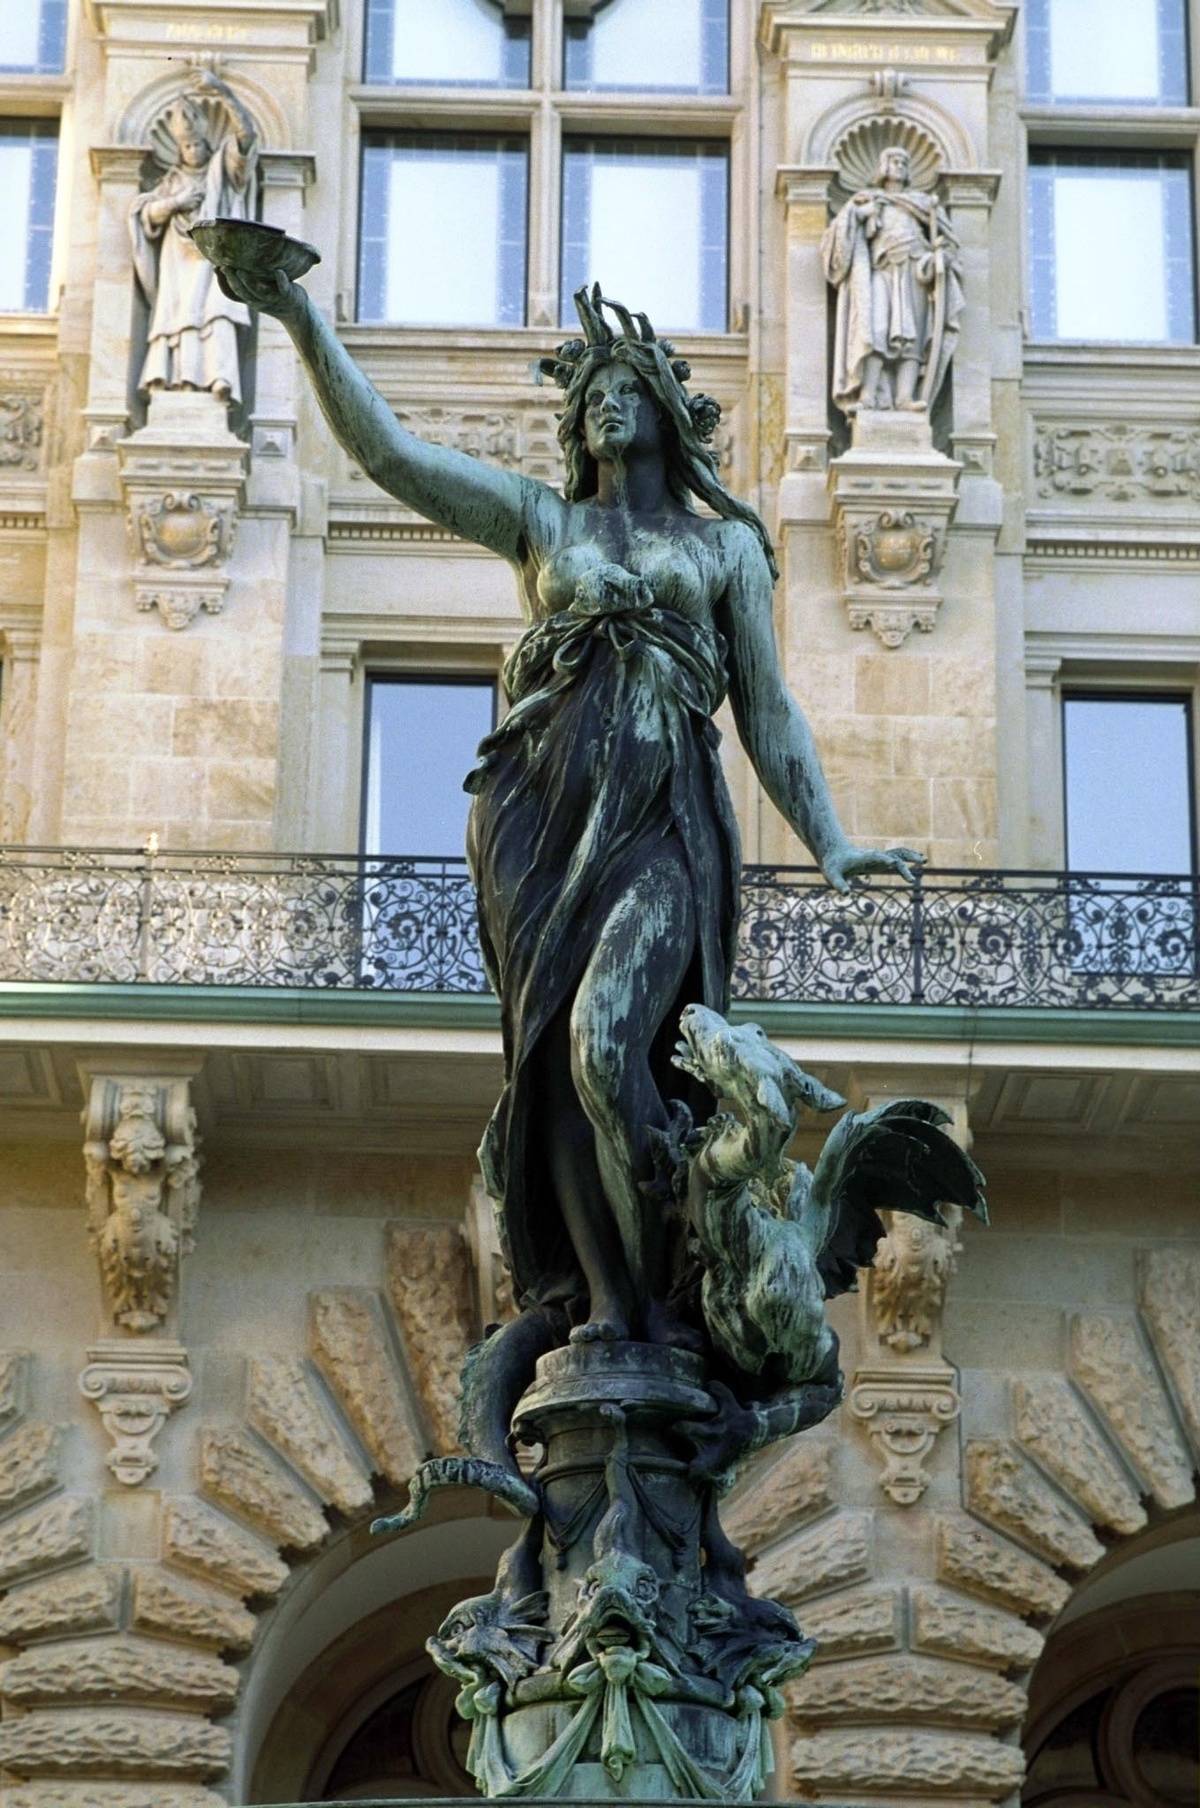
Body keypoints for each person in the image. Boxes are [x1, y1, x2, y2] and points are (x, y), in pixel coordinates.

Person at [212, 262, 922, 1344]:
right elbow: (391, 455)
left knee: (605, 1045)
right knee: (552, 1057)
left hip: (665, 818)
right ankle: (604, 1297)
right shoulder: (546, 524)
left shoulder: (723, 547)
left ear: (665, 410)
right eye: (587, 390)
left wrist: (830, 837)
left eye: (622, 384)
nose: (602, 400)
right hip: (539, 818)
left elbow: (767, 710)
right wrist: (301, 315)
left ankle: (673, 1251)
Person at [130, 72, 259, 404]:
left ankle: (221, 379)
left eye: (196, 143)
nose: (191, 149)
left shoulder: (223, 169)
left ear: (207, 143)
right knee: (178, 317)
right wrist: (176, 203)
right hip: (177, 262)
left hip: (215, 257)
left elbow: (246, 134)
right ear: (178, 149)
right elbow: (146, 214)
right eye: (185, 145)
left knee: (218, 312)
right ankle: (179, 380)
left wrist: (224, 92)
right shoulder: (171, 181)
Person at [822, 144, 964, 415]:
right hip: (882, 270)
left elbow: (949, 244)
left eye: (903, 161)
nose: (899, 164)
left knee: (912, 337)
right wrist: (857, 215)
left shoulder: (922, 204)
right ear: (882, 167)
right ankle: (867, 395)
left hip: (914, 271)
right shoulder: (869, 201)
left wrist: (939, 257)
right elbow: (838, 238)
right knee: (875, 331)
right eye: (894, 160)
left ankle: (904, 398)